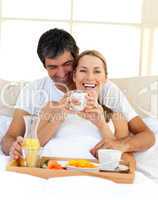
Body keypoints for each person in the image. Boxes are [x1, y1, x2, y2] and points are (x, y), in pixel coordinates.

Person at [1, 28, 155, 160]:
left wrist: (121, 145)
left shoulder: (104, 88)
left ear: (76, 58)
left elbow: (145, 135)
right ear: (44, 66)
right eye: (53, 67)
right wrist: (13, 148)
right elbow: (11, 137)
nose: (61, 74)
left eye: (67, 64)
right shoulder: (34, 91)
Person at [37, 50, 130, 159]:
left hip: (93, 174)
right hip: (54, 170)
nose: (90, 77)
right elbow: (33, 147)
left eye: (97, 71)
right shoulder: (51, 108)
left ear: (105, 79)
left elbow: (122, 161)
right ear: (74, 76)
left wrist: (102, 125)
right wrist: (59, 116)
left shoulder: (117, 118)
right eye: (83, 70)